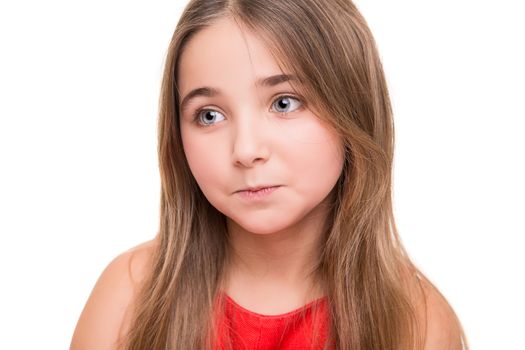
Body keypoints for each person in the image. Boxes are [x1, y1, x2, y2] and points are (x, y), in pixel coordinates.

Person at [71, 0, 468, 349]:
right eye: (209, 115)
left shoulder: (417, 323)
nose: (245, 150)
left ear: (353, 106)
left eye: (284, 103)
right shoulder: (131, 296)